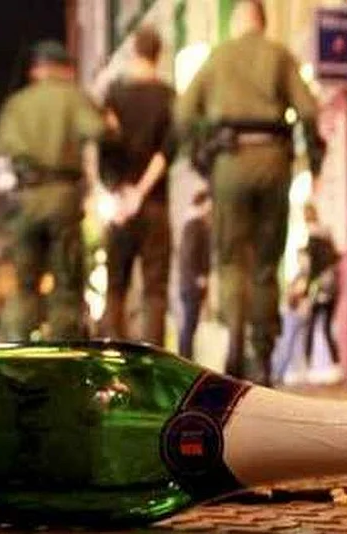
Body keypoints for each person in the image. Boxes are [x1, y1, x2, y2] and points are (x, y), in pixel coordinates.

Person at [176, 0, 326, 386]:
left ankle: (234, 344)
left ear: (238, 22)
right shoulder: (279, 55)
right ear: (263, 21)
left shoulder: (218, 58)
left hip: (229, 162)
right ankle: (262, 356)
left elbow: (183, 113)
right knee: (265, 262)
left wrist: (200, 156)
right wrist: (314, 158)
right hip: (273, 158)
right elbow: (309, 110)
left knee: (229, 260)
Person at [0, 40, 105, 340]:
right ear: (65, 69)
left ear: (36, 70)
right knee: (66, 284)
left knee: (25, 286)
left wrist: (0, 215)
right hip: (62, 197)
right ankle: (63, 354)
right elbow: (98, 130)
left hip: (24, 200)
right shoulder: (72, 97)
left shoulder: (16, 105)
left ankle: (16, 352)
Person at [100, 26, 176, 346]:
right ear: (159, 54)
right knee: (154, 289)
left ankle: (113, 355)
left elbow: (105, 146)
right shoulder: (168, 97)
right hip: (155, 203)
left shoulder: (113, 96)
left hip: (119, 205)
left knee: (116, 285)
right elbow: (167, 150)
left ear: (134, 51)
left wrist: (120, 191)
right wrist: (141, 191)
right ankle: (152, 359)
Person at [301, 203, 342, 384]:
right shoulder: (327, 234)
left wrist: (306, 290)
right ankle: (337, 365)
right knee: (326, 327)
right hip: (332, 286)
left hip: (318, 288)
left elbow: (313, 267)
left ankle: (308, 366)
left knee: (310, 326)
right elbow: (336, 257)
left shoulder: (312, 237)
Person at [178, 189, 212, 359]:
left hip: (188, 284)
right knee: (189, 325)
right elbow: (190, 255)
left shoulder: (192, 224)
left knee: (190, 325)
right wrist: (199, 277)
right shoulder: (195, 225)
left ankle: (185, 358)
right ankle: (185, 359)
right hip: (192, 285)